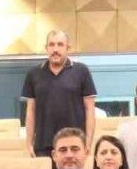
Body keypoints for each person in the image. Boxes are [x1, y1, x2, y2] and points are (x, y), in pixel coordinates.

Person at [23, 29, 97, 158]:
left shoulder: (82, 71)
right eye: (51, 45)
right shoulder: (33, 73)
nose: (55, 49)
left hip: (74, 145)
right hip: (43, 145)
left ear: (67, 48)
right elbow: (31, 111)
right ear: (46, 48)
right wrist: (29, 143)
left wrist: (88, 142)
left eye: (60, 44)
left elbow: (90, 109)